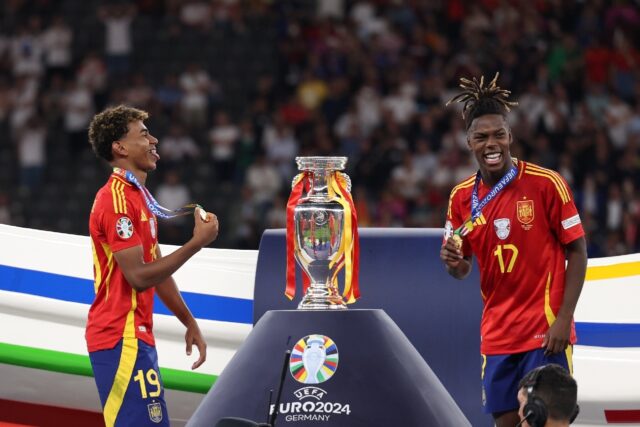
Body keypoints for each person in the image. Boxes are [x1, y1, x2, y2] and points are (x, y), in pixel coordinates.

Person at [439, 74, 587, 427]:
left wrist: (564, 318)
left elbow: (578, 251)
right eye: (482, 137)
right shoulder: (461, 197)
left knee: (545, 421)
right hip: (497, 334)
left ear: (510, 137)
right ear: (469, 142)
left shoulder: (546, 184)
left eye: (498, 134)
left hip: (545, 330)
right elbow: (460, 269)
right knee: (506, 424)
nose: (492, 143)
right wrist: (454, 262)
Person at [86, 105, 219, 426]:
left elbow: (156, 269)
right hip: (120, 334)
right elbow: (139, 277)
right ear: (119, 147)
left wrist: (189, 321)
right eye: (144, 134)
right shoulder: (116, 200)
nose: (154, 140)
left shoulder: (137, 196)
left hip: (135, 334)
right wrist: (195, 243)